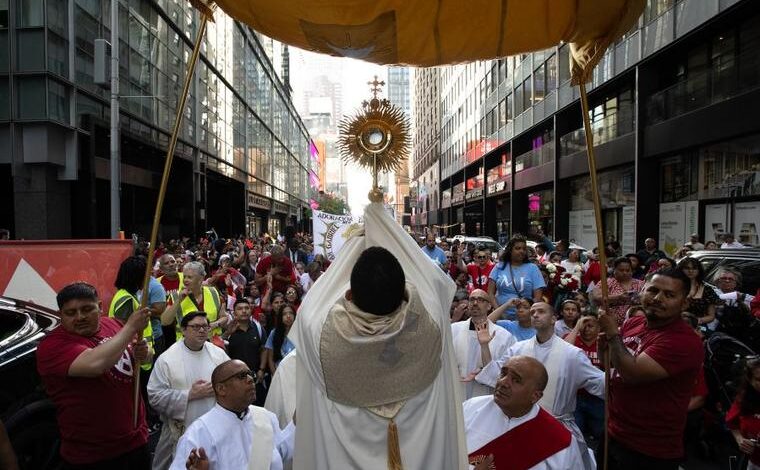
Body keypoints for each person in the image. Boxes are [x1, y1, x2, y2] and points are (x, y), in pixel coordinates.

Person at [290, 219, 467, 470]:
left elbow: (309, 308)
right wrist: (384, 225)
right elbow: (436, 282)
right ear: (402, 289)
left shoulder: (321, 336)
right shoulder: (430, 323)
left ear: (350, 293)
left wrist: (356, 243)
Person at [475, 302, 604, 470]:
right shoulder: (518, 349)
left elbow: (601, 383)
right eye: (533, 311)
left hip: (556, 428)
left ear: (553, 319)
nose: (534, 314)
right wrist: (484, 345)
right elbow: (494, 374)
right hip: (520, 426)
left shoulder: (572, 355)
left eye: (541, 311)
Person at [36, 282, 152, 469]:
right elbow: (96, 365)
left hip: (137, 442)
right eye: (71, 313)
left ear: (100, 307)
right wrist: (130, 327)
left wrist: (144, 353)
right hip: (93, 456)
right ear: (61, 315)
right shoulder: (51, 346)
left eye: (87, 309)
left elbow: (139, 359)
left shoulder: (112, 324)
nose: (80, 317)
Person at [597, 268, 703, 469]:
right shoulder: (634, 322)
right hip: (614, 433)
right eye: (653, 290)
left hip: (650, 449)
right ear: (642, 290)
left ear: (685, 303)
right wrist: (603, 347)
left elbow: (631, 374)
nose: (657, 298)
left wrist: (612, 335)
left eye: (669, 295)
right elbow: (611, 366)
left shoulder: (683, 341)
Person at [170, 360, 294, 470]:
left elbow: (281, 451)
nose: (250, 379)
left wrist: (297, 421)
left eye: (250, 374)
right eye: (242, 376)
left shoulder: (265, 417)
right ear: (221, 389)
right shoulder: (198, 434)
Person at [463, 356, 583, 469]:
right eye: (503, 374)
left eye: (516, 380)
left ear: (535, 396)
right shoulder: (470, 408)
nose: (503, 383)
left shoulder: (559, 441)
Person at [148, 312, 230, 470]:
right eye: (196, 327)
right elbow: (155, 396)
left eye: (205, 326)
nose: (201, 330)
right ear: (183, 330)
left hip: (215, 428)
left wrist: (220, 388)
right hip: (180, 429)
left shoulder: (218, 355)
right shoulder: (167, 359)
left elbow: (231, 382)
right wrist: (190, 395)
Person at [452, 289, 516, 400]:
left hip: (485, 396)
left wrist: (484, 372)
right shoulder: (453, 330)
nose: (475, 303)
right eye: (472, 300)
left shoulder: (504, 336)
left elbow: (507, 371)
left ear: (489, 306)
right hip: (456, 392)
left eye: (481, 300)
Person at [563, 314, 604, 447]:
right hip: (574, 397)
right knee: (575, 435)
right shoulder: (572, 338)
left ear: (599, 328)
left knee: (600, 433)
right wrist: (577, 326)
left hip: (597, 398)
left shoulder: (602, 342)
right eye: (583, 325)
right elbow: (563, 350)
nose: (586, 329)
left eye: (590, 326)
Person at [160, 261, 227, 341]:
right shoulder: (175, 296)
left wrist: (215, 324)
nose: (185, 280)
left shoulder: (213, 292)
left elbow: (224, 317)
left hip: (212, 344)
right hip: (186, 345)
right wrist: (179, 300)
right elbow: (164, 321)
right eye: (184, 277)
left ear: (201, 278)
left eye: (190, 277)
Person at [488, 235, 545, 317]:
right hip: (501, 316)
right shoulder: (499, 266)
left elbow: (537, 297)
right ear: (510, 250)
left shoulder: (533, 268)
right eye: (518, 248)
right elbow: (490, 292)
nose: (522, 251)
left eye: (524, 249)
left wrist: (527, 313)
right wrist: (498, 312)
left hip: (524, 317)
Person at [726, 358, 760, 469]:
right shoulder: (744, 398)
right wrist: (740, 440)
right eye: (759, 379)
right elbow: (732, 424)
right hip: (754, 463)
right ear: (750, 380)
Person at [591, 257, 644, 326]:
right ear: (614, 270)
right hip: (611, 323)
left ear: (632, 271)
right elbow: (596, 297)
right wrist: (618, 297)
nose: (624, 273)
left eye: (627, 270)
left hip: (635, 323)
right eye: (621, 270)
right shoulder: (605, 283)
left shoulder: (640, 284)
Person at [676, 257, 722, 327]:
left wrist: (695, 321)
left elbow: (711, 316)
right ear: (681, 270)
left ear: (699, 270)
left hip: (698, 327)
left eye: (694, 268)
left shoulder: (707, 289)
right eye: (687, 268)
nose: (691, 271)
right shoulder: (673, 287)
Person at [262, 304, 296, 376]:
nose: (288, 316)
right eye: (284, 314)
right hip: (279, 372)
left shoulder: (300, 332)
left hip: (297, 372)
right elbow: (270, 358)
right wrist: (275, 375)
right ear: (280, 317)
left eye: (291, 313)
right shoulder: (274, 333)